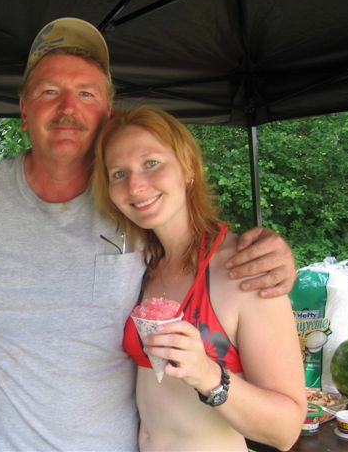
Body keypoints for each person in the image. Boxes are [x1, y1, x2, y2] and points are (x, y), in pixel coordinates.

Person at [0, 17, 297, 451]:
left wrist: (271, 253)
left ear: (106, 113)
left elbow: (198, 241)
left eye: (86, 93)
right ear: (24, 111)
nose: (68, 108)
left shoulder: (131, 209)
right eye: (49, 92)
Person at [91, 105, 305, 451]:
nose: (135, 185)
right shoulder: (142, 265)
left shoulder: (245, 270)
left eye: (151, 163)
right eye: (119, 173)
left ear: (188, 167)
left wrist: (207, 375)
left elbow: (286, 429)